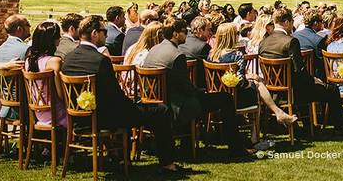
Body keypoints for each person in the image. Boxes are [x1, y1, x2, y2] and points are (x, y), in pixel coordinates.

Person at [61, 15, 180, 173]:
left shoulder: (68, 59)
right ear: (95, 33)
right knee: (161, 110)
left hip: (78, 118)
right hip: (105, 118)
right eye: (104, 32)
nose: (107, 35)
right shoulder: (100, 61)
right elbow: (116, 97)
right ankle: (167, 162)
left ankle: (121, 156)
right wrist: (134, 106)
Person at [143, 20, 255, 158]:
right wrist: (201, 92)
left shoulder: (154, 49)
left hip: (155, 102)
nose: (187, 34)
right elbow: (186, 89)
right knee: (226, 99)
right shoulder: (177, 56)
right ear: (175, 34)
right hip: (177, 106)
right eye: (185, 31)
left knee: (215, 98)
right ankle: (236, 148)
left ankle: (190, 144)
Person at [259, 8, 343, 132]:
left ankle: (308, 126)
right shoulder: (291, 41)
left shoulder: (263, 42)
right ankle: (340, 128)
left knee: (306, 85)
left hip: (272, 91)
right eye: (292, 22)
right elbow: (299, 71)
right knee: (332, 89)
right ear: (287, 22)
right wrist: (314, 80)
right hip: (293, 92)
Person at [208, 23, 297, 127]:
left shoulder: (211, 55)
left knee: (255, 82)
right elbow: (241, 83)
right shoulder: (237, 55)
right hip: (236, 99)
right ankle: (265, 125)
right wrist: (250, 79)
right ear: (232, 36)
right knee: (257, 85)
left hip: (216, 96)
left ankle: (278, 113)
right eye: (236, 33)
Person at [23, 21, 68, 128]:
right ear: (53, 40)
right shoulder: (54, 61)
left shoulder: (28, 60)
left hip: (38, 111)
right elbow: (61, 94)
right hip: (56, 113)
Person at [292, 9, 327, 78]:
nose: (322, 23)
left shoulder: (294, 35)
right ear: (316, 23)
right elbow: (322, 65)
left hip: (295, 77)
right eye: (321, 21)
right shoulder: (318, 40)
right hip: (313, 80)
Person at [180, 16, 213, 88]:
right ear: (200, 30)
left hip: (179, 85)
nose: (211, 33)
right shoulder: (204, 47)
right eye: (209, 30)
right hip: (198, 87)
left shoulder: (181, 41)